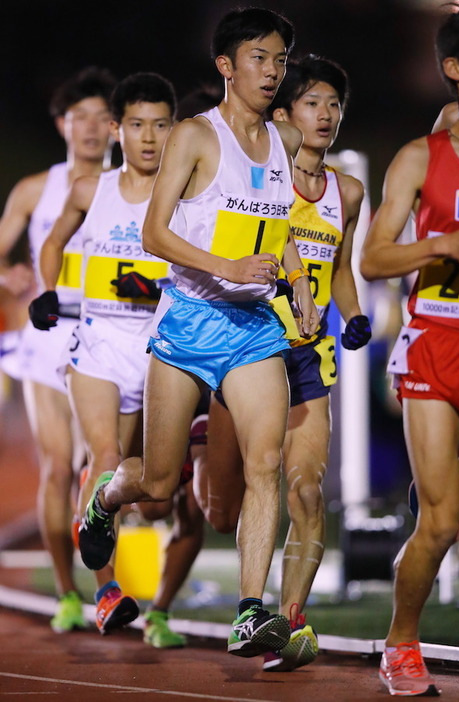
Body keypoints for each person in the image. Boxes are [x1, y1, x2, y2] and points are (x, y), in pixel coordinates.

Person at [77, 6, 320, 659]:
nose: (273, 72)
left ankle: (250, 610)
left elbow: (280, 227)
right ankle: (104, 499)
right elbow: (156, 234)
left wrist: (296, 283)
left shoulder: (287, 142)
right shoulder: (193, 136)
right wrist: (226, 267)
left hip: (251, 329)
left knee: (263, 464)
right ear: (226, 66)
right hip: (187, 320)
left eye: (280, 60)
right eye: (260, 59)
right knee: (158, 486)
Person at [194, 54, 371, 672]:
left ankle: (291, 621)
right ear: (284, 116)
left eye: (334, 105)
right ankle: (199, 438)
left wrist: (351, 316)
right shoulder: (260, 179)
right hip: (244, 346)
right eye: (312, 104)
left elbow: (340, 271)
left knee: (307, 490)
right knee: (222, 511)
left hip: (307, 357)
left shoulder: (347, 191)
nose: (325, 116)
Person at [30, 72, 204, 645]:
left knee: (150, 494)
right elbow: (53, 242)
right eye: (136, 125)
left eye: (160, 125)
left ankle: (135, 572)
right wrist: (48, 288)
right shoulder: (91, 190)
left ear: (173, 130)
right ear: (116, 130)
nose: (149, 138)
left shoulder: (185, 196)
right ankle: (106, 593)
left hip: (159, 351)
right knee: (102, 454)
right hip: (98, 345)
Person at [360, 4, 459, 696]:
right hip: (435, 341)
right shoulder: (418, 158)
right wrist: (441, 246)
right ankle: (401, 644)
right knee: (441, 521)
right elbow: (372, 258)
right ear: (456, 70)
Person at [0, 66, 115, 633]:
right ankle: (69, 592)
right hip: (45, 337)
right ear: (61, 124)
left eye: (102, 117)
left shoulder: (131, 185)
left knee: (100, 469)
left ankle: (104, 587)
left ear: (117, 127)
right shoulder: (34, 188)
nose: (91, 128)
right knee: (57, 467)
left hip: (108, 335)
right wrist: (12, 275)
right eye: (80, 117)